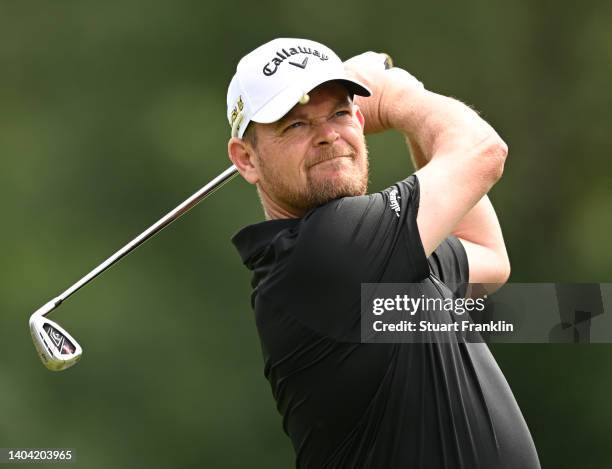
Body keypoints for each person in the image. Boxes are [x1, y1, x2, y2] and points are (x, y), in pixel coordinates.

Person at [226, 38, 540, 469]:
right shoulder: (325, 251)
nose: (327, 136)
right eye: (295, 125)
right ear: (246, 159)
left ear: (358, 118)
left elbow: (486, 257)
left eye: (339, 112)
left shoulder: (373, 254)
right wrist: (398, 95)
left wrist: (413, 120)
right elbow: (483, 152)